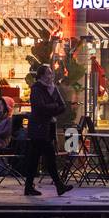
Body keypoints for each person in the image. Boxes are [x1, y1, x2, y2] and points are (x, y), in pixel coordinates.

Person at [23, 66, 72, 197]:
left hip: (49, 127)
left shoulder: (53, 89)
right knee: (49, 157)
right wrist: (54, 106)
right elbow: (40, 108)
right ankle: (59, 185)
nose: (51, 76)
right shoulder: (37, 89)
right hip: (38, 128)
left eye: (51, 73)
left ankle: (29, 187)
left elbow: (63, 106)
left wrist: (52, 108)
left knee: (35, 159)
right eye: (49, 73)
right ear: (42, 76)